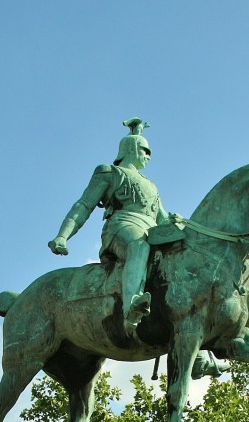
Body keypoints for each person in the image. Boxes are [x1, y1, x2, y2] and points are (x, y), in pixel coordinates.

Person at [48, 118, 171, 332]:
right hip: (122, 226)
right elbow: (84, 205)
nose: (149, 156)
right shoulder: (110, 172)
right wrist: (62, 236)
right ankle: (131, 305)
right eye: (145, 150)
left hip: (151, 230)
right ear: (131, 148)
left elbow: (163, 219)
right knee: (138, 246)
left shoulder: (151, 185)